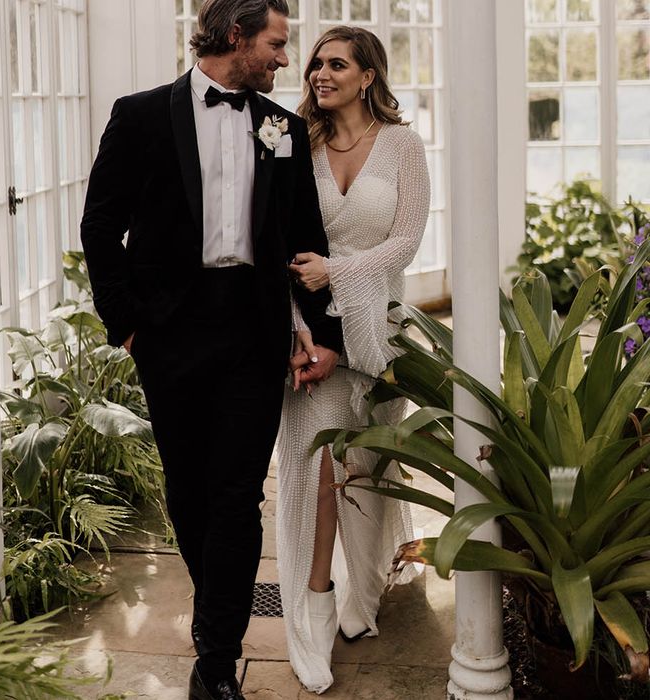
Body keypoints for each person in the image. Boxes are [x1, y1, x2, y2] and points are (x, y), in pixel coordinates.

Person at [80, 1, 343, 698]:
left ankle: (217, 661)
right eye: (278, 45)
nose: (288, 60)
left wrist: (329, 336)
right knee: (189, 489)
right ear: (235, 37)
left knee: (235, 496)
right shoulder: (138, 116)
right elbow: (100, 226)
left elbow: (305, 235)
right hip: (168, 334)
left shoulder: (282, 127)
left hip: (253, 335)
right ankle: (218, 611)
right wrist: (128, 325)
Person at [276, 26, 431, 694]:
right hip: (307, 339)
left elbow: (406, 242)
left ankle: (363, 590)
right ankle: (311, 606)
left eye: (336, 63)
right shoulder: (292, 144)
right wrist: (294, 329)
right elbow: (272, 243)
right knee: (315, 475)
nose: (319, 72)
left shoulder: (402, 145)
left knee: (368, 469)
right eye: (314, 63)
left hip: (376, 336)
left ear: (369, 75)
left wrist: (336, 271)